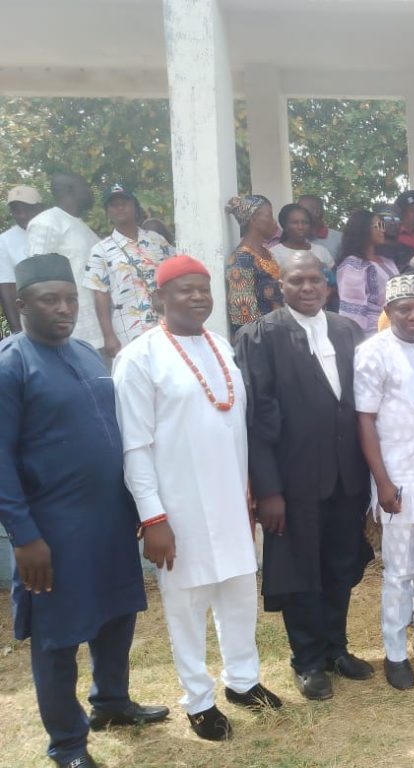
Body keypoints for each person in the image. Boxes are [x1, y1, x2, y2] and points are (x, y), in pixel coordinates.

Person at [0, 253, 166, 768]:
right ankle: (68, 744)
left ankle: (111, 702)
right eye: (50, 300)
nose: (64, 309)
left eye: (71, 299)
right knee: (57, 635)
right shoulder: (11, 364)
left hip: (109, 517)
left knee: (117, 614)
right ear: (22, 304)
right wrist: (24, 536)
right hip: (53, 528)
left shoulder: (87, 353)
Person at [113, 255, 281, 741]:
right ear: (158, 298)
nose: (197, 297)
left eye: (203, 289)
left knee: (238, 593)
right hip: (179, 507)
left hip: (231, 500)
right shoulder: (139, 358)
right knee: (187, 605)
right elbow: (135, 447)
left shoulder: (221, 345)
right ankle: (199, 700)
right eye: (185, 289)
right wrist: (153, 518)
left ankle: (243, 681)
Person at [234, 251, 374, 702]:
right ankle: (308, 660)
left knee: (339, 566)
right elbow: (256, 419)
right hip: (293, 482)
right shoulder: (260, 335)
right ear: (281, 287)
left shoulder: (346, 330)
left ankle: (336, 649)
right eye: (297, 281)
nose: (307, 288)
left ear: (328, 286)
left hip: (345, 477)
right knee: (301, 572)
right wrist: (268, 490)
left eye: (315, 280)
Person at [356, 274, 414, 690]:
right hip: (397, 474)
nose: (413, 315)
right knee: (399, 570)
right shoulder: (372, 352)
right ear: (388, 312)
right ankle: (394, 651)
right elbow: (365, 420)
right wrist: (382, 480)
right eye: (404, 309)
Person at [84, 184, 172, 359]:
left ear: (136, 207)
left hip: (166, 323)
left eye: (124, 203)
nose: (120, 207)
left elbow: (175, 275)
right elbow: (100, 295)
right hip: (129, 331)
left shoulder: (157, 240)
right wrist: (108, 336)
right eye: (113, 205)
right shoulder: (100, 250)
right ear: (108, 212)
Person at [25, 173, 102, 349]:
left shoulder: (82, 227)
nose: (90, 191)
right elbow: (38, 279)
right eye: (85, 186)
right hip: (69, 336)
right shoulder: (47, 222)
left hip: (96, 333)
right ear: (70, 190)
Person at [225, 194, 283, 336]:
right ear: (253, 220)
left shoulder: (266, 253)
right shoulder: (241, 259)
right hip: (260, 340)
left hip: (278, 334)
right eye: (269, 216)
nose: (274, 222)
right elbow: (243, 318)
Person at [336, 209, 399, 336]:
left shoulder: (387, 261)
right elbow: (353, 309)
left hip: (397, 325)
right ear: (363, 229)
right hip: (370, 332)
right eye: (378, 226)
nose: (383, 230)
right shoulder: (353, 265)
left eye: (383, 226)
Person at [0, 185, 44, 332]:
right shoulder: (4, 241)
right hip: (31, 319)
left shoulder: (53, 230)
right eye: (16, 210)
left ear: (40, 208)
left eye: (28, 209)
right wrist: (17, 332)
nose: (22, 215)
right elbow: (7, 288)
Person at [270, 203, 334, 269]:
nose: (300, 227)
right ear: (285, 226)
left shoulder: (321, 251)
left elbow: (332, 274)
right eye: (295, 222)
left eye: (305, 222)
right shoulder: (274, 254)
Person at [297, 194, 343, 265]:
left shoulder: (339, 239)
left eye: (301, 210)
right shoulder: (292, 239)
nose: (296, 214)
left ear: (317, 213)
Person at [374, 203, 414, 272]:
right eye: (387, 219)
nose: (393, 223)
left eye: (397, 219)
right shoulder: (369, 251)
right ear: (378, 223)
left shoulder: (411, 252)